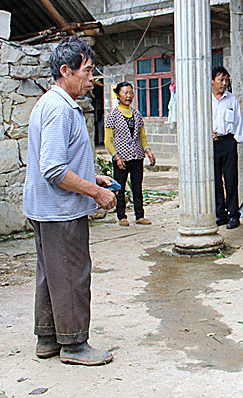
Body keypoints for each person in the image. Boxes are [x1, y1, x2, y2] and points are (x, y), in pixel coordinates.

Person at [23, 37, 117, 366]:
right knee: (74, 273)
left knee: (52, 273)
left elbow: (64, 162)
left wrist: (94, 177)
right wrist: (96, 192)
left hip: (47, 208)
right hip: (60, 211)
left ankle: (48, 338)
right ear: (66, 71)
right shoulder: (59, 109)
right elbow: (53, 169)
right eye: (87, 71)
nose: (93, 78)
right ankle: (75, 344)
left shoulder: (56, 105)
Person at [104, 81, 156, 226]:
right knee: (120, 187)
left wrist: (148, 150)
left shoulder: (137, 114)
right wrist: (116, 156)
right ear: (118, 95)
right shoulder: (113, 115)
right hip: (121, 158)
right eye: (125, 92)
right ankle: (121, 216)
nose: (129, 96)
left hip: (137, 156)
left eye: (131, 92)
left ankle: (139, 215)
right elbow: (108, 140)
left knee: (137, 186)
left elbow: (142, 136)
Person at [211, 65, 243, 229]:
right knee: (215, 180)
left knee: (231, 179)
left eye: (226, 79)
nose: (224, 83)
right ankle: (220, 214)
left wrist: (236, 141)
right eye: (221, 79)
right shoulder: (206, 100)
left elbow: (238, 122)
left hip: (228, 142)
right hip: (212, 143)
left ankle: (233, 214)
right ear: (212, 81)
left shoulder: (232, 100)